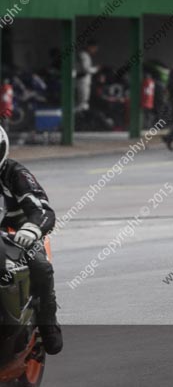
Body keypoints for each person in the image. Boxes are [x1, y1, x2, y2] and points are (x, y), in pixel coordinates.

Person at [0, 125, 63, 354]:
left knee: (41, 266)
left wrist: (31, 229)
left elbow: (43, 209)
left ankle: (48, 325)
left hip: (15, 234)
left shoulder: (14, 173)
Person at [75, 40, 99, 111]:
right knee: (82, 102)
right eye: (94, 48)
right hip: (82, 81)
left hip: (83, 80)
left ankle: (80, 117)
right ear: (90, 47)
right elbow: (86, 69)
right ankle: (74, 117)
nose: (95, 50)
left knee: (84, 102)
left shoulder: (85, 54)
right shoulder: (83, 54)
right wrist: (96, 69)